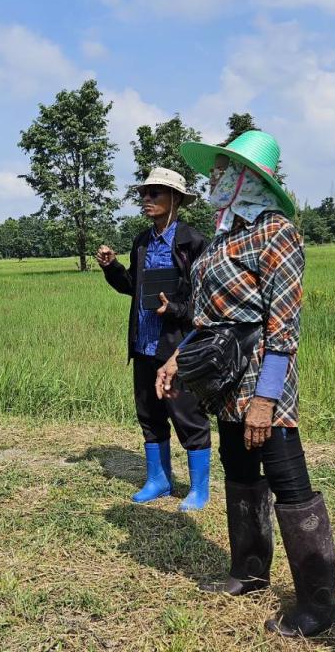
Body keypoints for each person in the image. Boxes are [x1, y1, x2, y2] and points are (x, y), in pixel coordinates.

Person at [156, 131, 335, 637]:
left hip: (264, 372)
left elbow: (284, 324)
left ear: (248, 179)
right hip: (223, 373)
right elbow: (204, 316)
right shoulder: (223, 236)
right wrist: (176, 359)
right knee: (238, 468)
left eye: (223, 170)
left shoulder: (277, 231)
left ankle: (317, 604)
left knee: (286, 476)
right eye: (214, 169)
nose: (213, 177)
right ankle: (249, 571)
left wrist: (266, 400)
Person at [96, 167, 209, 510]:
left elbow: (205, 301)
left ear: (175, 198)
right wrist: (112, 267)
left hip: (178, 345)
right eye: (144, 194)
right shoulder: (142, 242)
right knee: (149, 414)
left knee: (186, 414)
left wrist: (173, 308)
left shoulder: (194, 242)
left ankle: (199, 489)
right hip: (144, 343)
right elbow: (135, 287)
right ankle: (159, 480)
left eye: (155, 193)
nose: (146, 199)